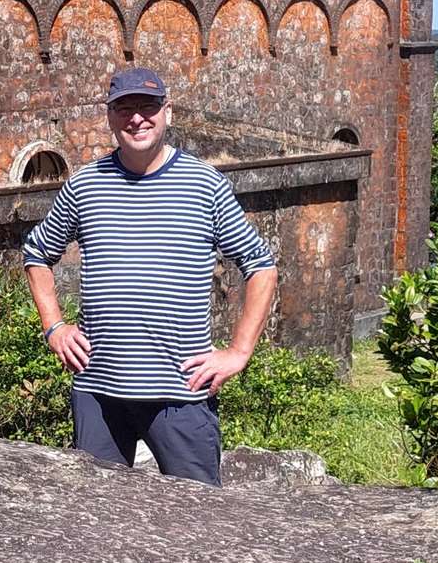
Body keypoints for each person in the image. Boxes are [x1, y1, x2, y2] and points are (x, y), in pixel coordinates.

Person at [21, 66, 279, 485]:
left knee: (197, 516)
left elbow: (260, 265)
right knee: (97, 516)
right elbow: (36, 253)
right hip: (100, 389)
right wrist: (55, 327)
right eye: (124, 108)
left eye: (148, 107)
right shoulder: (85, 185)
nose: (136, 118)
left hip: (181, 391)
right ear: (109, 117)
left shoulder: (204, 185)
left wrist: (239, 352)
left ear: (168, 112)